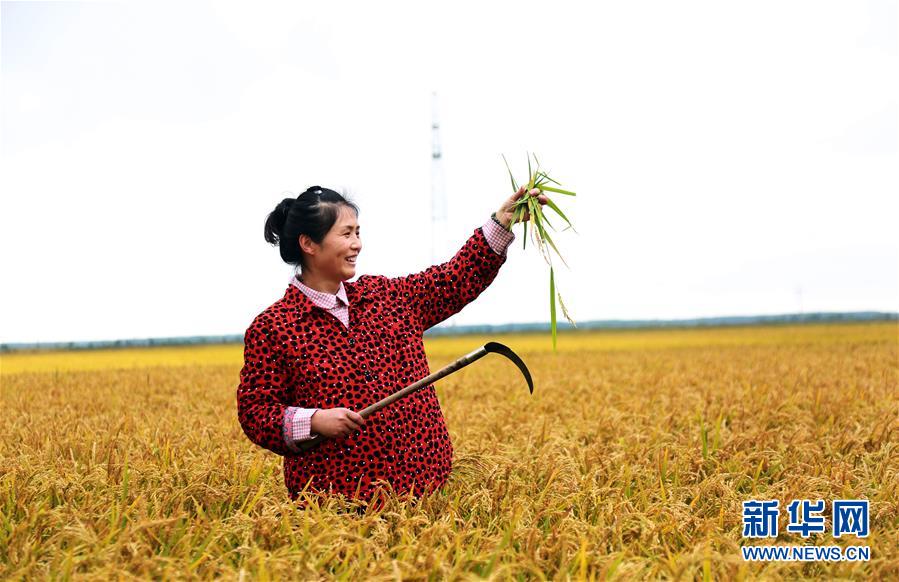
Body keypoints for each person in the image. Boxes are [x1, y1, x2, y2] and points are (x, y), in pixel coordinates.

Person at [236, 184, 547, 510]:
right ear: (309, 244)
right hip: (339, 509)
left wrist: (501, 222)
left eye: (358, 232)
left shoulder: (387, 298)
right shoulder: (274, 328)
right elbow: (257, 412)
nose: (357, 243)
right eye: (346, 234)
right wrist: (315, 420)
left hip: (428, 498)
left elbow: (453, 280)